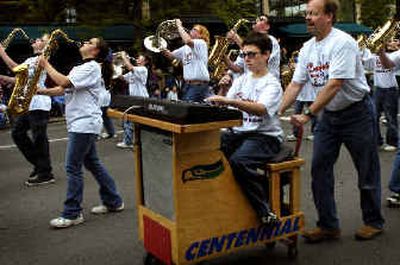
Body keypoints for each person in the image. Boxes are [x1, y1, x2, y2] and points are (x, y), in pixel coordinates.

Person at [279, 0, 384, 242]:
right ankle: (328, 225)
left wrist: (309, 113)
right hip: (329, 116)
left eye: (313, 14)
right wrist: (274, 111)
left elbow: (335, 83)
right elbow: (296, 84)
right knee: (319, 170)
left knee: (366, 170)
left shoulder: (343, 42)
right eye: (306, 13)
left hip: (356, 113)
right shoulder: (306, 48)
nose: (307, 18)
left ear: (329, 16)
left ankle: (373, 221)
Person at [37, 37, 124, 228]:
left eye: (89, 42)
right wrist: (40, 91)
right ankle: (113, 201)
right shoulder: (80, 67)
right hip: (81, 122)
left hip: (84, 123)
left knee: (72, 167)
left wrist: (45, 63)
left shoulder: (92, 66)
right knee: (92, 163)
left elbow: (65, 82)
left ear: (95, 51)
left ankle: (72, 213)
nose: (84, 42)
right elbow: (63, 89)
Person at [207, 32, 283, 226]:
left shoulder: (272, 83)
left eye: (252, 54)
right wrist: (223, 91)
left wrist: (230, 99)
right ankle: (222, 204)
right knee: (206, 151)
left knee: (239, 161)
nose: (246, 59)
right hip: (241, 133)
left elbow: (261, 109)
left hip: (265, 136)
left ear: (266, 55)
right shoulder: (241, 79)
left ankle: (264, 210)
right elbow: (227, 108)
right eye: (244, 55)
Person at [0, 34, 54, 186]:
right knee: (17, 133)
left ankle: (45, 172)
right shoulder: (31, 59)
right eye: (37, 39)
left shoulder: (43, 58)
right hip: (30, 104)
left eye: (40, 40)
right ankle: (40, 165)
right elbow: (21, 79)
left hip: (40, 103)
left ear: (47, 46)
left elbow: (17, 69)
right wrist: (3, 77)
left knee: (39, 139)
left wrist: (2, 52)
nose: (36, 40)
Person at [162, 19, 210, 102]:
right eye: (192, 29)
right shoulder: (185, 48)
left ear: (201, 35)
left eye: (195, 29)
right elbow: (171, 56)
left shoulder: (201, 42)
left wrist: (179, 26)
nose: (192, 30)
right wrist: (160, 47)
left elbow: (187, 40)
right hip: (187, 85)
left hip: (198, 85)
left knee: (186, 110)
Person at [362, 46, 399, 152]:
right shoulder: (373, 56)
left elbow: (389, 66)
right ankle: (377, 141)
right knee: (374, 115)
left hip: (390, 89)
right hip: (378, 88)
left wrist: (381, 53)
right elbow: (366, 65)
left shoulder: (395, 55)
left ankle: (393, 142)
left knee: (390, 117)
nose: (392, 43)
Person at [377, 41, 400, 206]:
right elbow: (389, 65)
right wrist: (379, 52)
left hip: (390, 90)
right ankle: (397, 189)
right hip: (380, 88)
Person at [116, 52, 150, 149]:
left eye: (140, 59)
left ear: (145, 62)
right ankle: (132, 141)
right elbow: (122, 78)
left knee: (129, 119)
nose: (138, 60)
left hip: (141, 98)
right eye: (138, 58)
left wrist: (123, 57)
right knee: (129, 120)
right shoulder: (133, 72)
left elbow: (130, 67)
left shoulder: (143, 69)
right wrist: (115, 69)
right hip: (134, 99)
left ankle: (129, 141)